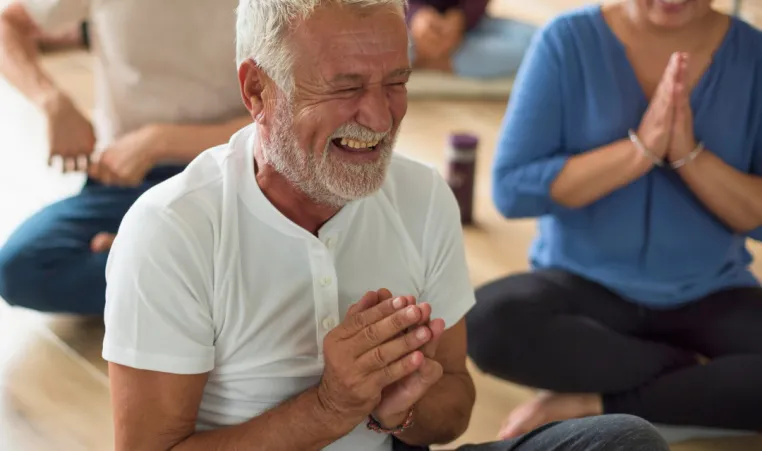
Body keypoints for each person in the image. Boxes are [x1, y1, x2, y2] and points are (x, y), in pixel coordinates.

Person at [100, 1, 670, 450]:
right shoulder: (169, 230)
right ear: (257, 91)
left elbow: (455, 404)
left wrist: (398, 407)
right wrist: (329, 407)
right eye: (346, 87)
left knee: (623, 440)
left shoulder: (422, 197)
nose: (379, 117)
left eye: (395, 82)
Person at [466, 0, 762, 440]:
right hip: (583, 288)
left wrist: (687, 155)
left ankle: (596, 400)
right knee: (485, 322)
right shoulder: (566, 41)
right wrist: (640, 150)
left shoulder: (754, 56)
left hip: (711, 292)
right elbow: (512, 190)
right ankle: (693, 375)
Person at [0, 0, 250, 314]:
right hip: (127, 181)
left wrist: (161, 140)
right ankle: (201, 273)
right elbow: (9, 23)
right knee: (23, 268)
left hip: (241, 174)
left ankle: (161, 265)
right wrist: (51, 101)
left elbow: (292, 110)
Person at [406, 0, 536, 79]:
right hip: (406, 23)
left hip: (467, 26)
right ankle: (436, 60)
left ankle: (427, 60)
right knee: (391, 45)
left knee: (538, 41)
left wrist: (463, 17)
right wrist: (415, 16)